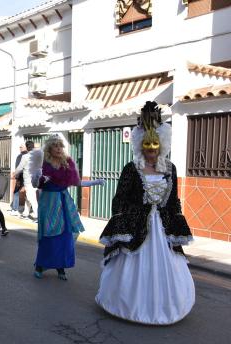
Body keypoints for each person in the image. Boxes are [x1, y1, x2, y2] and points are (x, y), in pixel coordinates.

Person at [96, 101, 194, 325]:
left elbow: (173, 200)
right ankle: (126, 305)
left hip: (162, 226)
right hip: (136, 225)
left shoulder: (171, 168)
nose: (151, 149)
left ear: (162, 144)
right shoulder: (132, 168)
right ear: (141, 144)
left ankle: (166, 306)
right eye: (147, 144)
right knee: (130, 266)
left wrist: (176, 223)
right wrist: (121, 222)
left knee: (167, 266)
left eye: (155, 144)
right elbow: (120, 198)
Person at [32, 135, 104, 281]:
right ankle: (40, 265)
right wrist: (39, 178)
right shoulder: (44, 164)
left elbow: (76, 182)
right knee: (48, 235)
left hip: (64, 203)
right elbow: (36, 184)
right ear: (49, 149)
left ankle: (61, 267)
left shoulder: (67, 163)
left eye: (60, 146)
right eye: (55, 146)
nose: (59, 149)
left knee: (64, 236)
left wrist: (94, 182)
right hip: (49, 203)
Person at [12, 140, 38, 221]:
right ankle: (26, 213)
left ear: (27, 147)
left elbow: (20, 168)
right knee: (28, 197)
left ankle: (37, 216)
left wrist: (14, 174)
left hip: (29, 180)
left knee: (31, 198)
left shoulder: (25, 156)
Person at [9, 144, 27, 215]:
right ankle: (24, 209)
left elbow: (19, 167)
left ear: (25, 147)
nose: (20, 148)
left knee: (16, 192)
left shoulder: (21, 156)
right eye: (20, 147)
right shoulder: (28, 155)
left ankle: (15, 209)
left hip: (20, 176)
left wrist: (16, 175)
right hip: (25, 176)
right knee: (27, 193)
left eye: (21, 147)